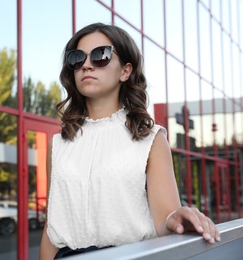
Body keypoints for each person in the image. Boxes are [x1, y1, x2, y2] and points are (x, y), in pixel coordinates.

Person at [39, 22, 220, 259]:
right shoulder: (58, 144)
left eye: (100, 56)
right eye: (77, 58)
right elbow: (52, 228)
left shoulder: (150, 138)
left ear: (125, 71)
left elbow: (165, 220)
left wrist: (178, 218)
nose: (86, 65)